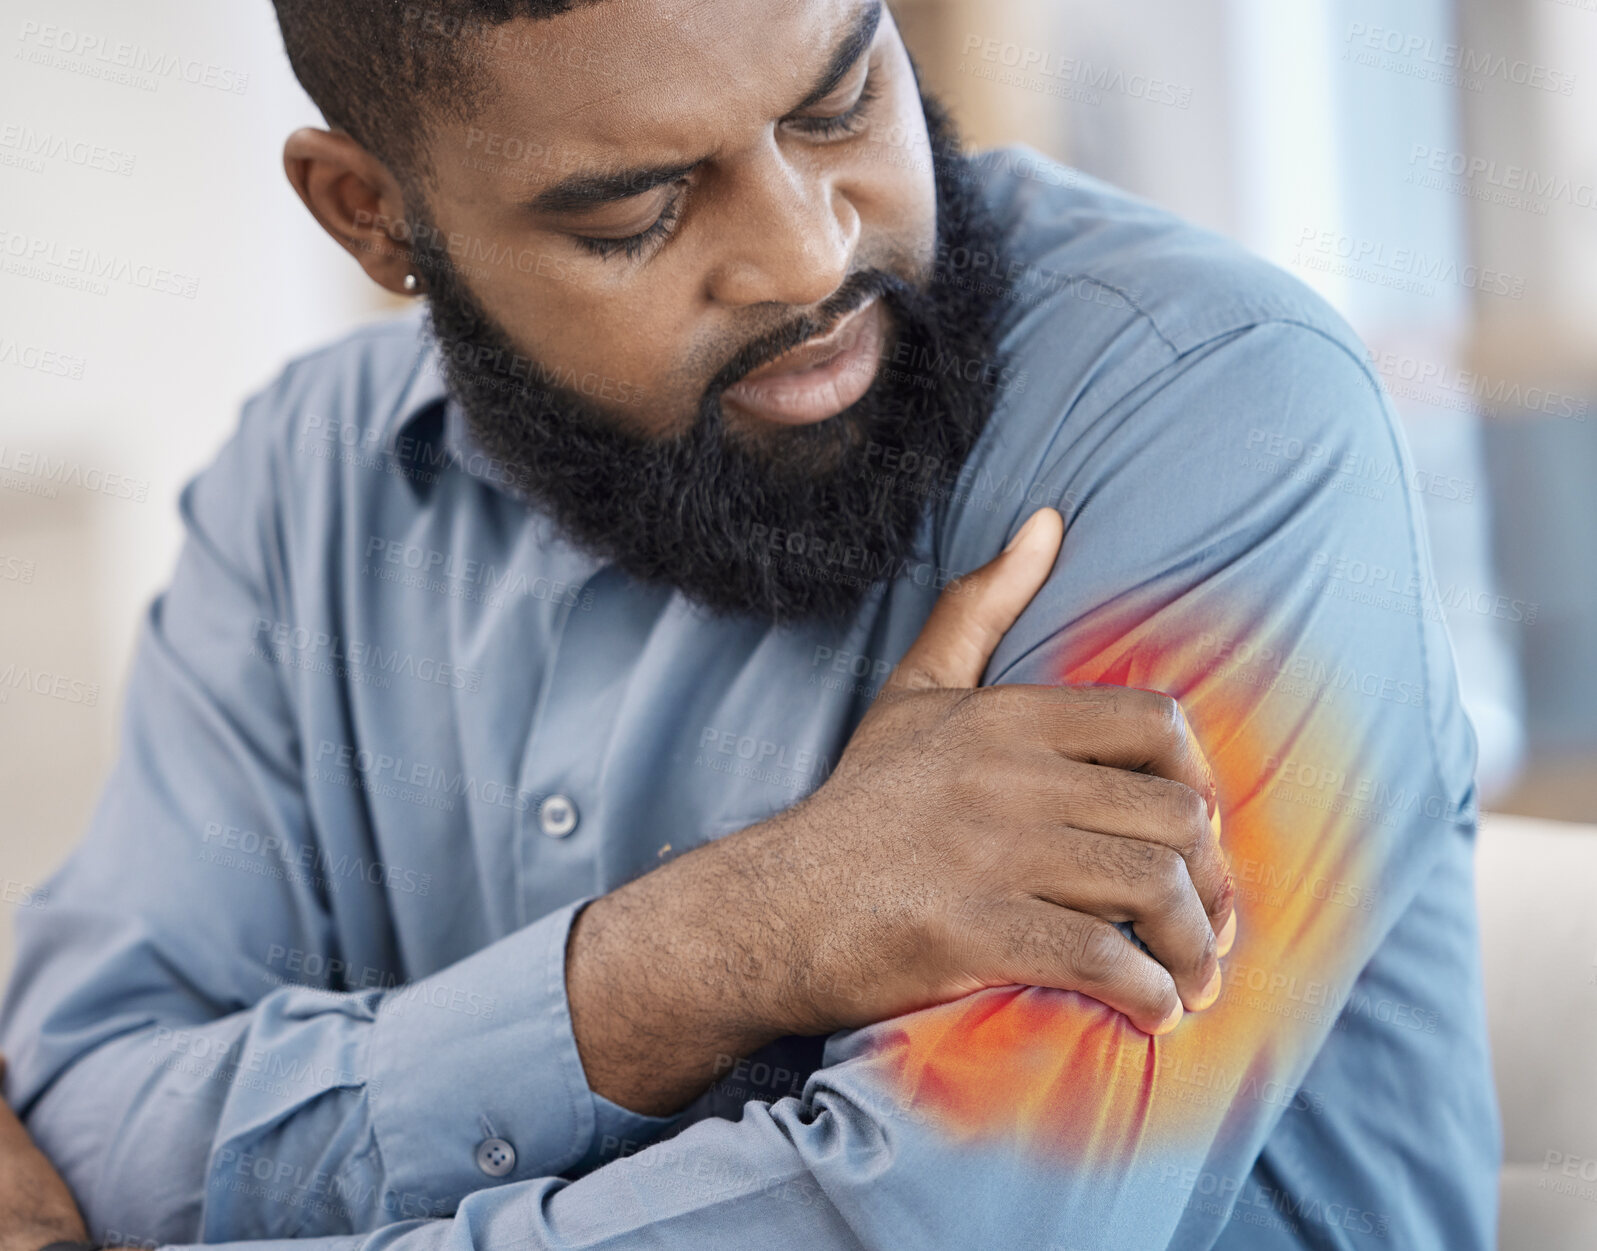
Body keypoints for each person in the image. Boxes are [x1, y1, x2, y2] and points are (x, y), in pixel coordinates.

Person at [0, 1, 1500, 1248]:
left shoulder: (1212, 410)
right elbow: (80, 1104)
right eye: (636, 212)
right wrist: (704, 949)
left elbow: (938, 1225)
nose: (801, 255)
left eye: (842, 102)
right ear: (372, 212)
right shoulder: (301, 486)